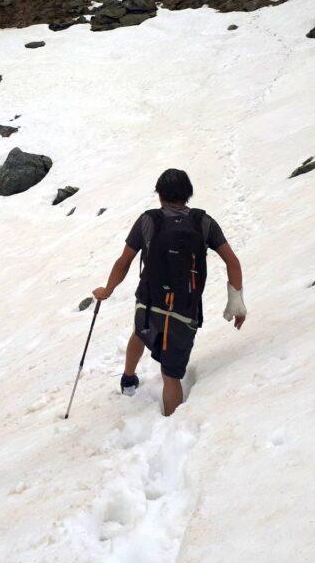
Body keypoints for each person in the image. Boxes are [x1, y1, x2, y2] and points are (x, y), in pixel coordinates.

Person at [92, 169, 246, 416]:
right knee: (171, 376)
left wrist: (107, 289)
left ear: (160, 194)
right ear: (188, 194)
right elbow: (233, 262)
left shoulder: (148, 221)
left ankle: (128, 379)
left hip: (149, 302)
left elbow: (125, 261)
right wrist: (236, 302)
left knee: (139, 335)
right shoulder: (203, 223)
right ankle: (172, 423)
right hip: (185, 310)